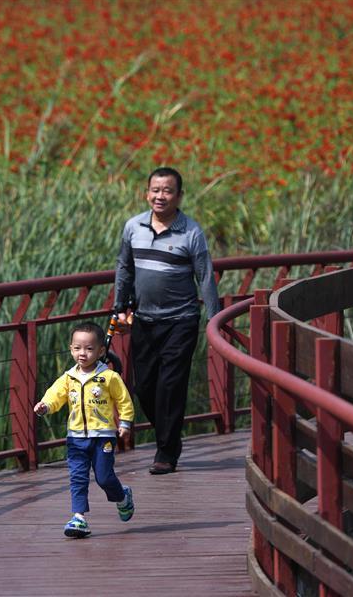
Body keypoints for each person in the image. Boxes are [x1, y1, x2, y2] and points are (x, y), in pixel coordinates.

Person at [113, 166, 221, 474]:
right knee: (145, 387)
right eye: (155, 190)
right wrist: (118, 305)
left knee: (171, 386)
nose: (160, 196)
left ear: (179, 196)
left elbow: (205, 276)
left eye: (168, 191)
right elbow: (124, 267)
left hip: (181, 320)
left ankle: (166, 452)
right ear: (146, 193)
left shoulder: (191, 231)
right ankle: (169, 437)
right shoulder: (133, 227)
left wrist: (213, 320)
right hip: (143, 320)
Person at [33, 321, 135, 538]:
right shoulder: (68, 378)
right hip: (76, 437)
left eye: (89, 349)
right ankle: (79, 517)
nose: (83, 353)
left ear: (100, 351)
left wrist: (125, 423)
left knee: (104, 478)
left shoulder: (108, 377)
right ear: (71, 349)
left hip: (103, 437)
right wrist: (45, 406)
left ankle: (122, 496)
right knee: (78, 477)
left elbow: (124, 400)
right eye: (77, 348)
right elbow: (55, 396)